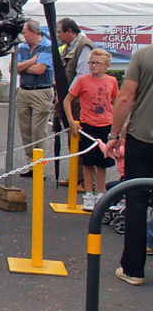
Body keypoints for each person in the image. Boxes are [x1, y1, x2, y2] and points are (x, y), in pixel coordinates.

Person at [106, 44, 153, 286]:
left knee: (136, 201)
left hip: (143, 138)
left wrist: (114, 134)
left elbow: (126, 97)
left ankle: (133, 270)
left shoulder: (144, 55)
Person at [64, 49, 118, 211]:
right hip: (88, 126)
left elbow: (116, 101)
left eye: (98, 63)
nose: (94, 66)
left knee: (102, 163)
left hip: (106, 125)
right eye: (91, 62)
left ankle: (100, 195)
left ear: (106, 66)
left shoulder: (112, 81)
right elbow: (67, 100)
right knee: (88, 162)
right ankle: (88, 194)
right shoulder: (82, 80)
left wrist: (118, 126)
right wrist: (71, 121)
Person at [16, 19, 55, 177]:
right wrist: (31, 62)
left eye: (25, 32)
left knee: (38, 131)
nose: (23, 35)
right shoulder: (23, 48)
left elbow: (40, 70)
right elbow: (14, 68)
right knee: (26, 130)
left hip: (41, 91)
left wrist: (25, 66)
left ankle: (40, 167)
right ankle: (31, 165)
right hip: (24, 90)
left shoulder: (48, 46)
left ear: (34, 32)